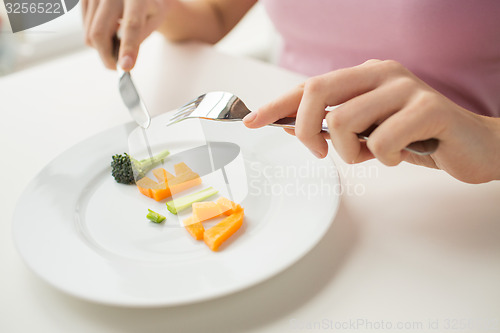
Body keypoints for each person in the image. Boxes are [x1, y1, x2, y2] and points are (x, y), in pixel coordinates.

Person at [82, 0, 500, 184]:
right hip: (294, 163)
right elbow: (215, 13)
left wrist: (489, 138)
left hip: (458, 190)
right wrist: (162, 6)